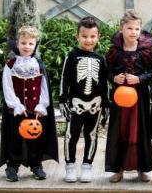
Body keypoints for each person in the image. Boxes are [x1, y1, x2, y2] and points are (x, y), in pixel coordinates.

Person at [0, 25, 58, 182]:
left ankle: (36, 165)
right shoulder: (11, 65)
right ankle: (12, 166)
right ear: (17, 43)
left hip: (35, 111)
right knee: (14, 138)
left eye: (30, 43)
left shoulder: (38, 65)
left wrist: (42, 105)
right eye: (23, 43)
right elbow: (8, 87)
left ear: (35, 45)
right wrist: (16, 105)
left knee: (35, 139)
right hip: (17, 110)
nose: (27, 46)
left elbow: (44, 88)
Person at [105, 9, 152, 183]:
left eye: (137, 29)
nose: (133, 32)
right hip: (119, 98)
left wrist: (139, 78)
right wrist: (114, 78)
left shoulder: (146, 51)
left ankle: (142, 168)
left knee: (139, 131)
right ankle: (118, 169)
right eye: (129, 28)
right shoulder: (114, 52)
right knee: (120, 131)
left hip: (139, 97)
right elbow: (107, 72)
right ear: (121, 29)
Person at [59, 17, 109, 183]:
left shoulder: (100, 59)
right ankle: (70, 166)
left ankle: (87, 165)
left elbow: (104, 82)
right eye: (85, 36)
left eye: (92, 36)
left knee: (91, 135)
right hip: (76, 103)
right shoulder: (72, 56)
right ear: (77, 37)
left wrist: (106, 104)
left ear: (98, 37)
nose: (89, 40)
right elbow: (64, 79)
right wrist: (62, 100)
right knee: (70, 135)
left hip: (95, 104)